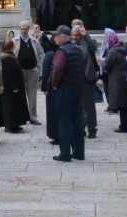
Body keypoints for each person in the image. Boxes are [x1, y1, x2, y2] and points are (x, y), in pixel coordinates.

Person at [50, 25, 85, 161]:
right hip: (77, 88)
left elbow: (57, 69)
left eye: (56, 36)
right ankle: (79, 151)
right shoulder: (77, 50)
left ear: (63, 37)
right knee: (77, 120)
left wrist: (54, 84)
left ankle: (64, 153)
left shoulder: (62, 51)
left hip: (64, 89)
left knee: (64, 121)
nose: (54, 38)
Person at [71, 20, 100, 138]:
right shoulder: (71, 44)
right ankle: (80, 128)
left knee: (89, 106)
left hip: (87, 79)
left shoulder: (88, 43)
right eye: (73, 35)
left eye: (77, 35)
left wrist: (86, 35)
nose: (74, 37)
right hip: (75, 79)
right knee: (78, 106)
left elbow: (93, 48)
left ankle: (92, 128)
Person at [13, 20, 44, 125]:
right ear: (19, 29)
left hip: (32, 71)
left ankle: (33, 117)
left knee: (32, 95)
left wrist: (38, 67)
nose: (23, 31)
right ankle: (20, 117)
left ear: (28, 29)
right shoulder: (14, 41)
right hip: (20, 71)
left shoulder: (34, 41)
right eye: (21, 29)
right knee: (19, 95)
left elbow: (41, 54)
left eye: (25, 29)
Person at [103, 31, 127, 133]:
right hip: (125, 78)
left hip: (116, 79)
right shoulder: (125, 50)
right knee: (124, 104)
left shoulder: (113, 52)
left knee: (121, 104)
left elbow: (106, 65)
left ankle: (124, 126)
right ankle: (126, 124)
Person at [0, 38, 31, 133]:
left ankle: (15, 124)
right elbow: (10, 73)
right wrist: (15, 87)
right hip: (10, 88)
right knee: (11, 106)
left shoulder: (6, 56)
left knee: (14, 106)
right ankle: (10, 125)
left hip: (10, 86)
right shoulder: (7, 58)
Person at [99, 28, 121, 114]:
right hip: (104, 71)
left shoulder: (113, 46)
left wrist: (102, 60)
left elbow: (110, 59)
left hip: (109, 71)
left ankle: (113, 106)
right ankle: (110, 105)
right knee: (107, 89)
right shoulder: (105, 44)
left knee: (111, 90)